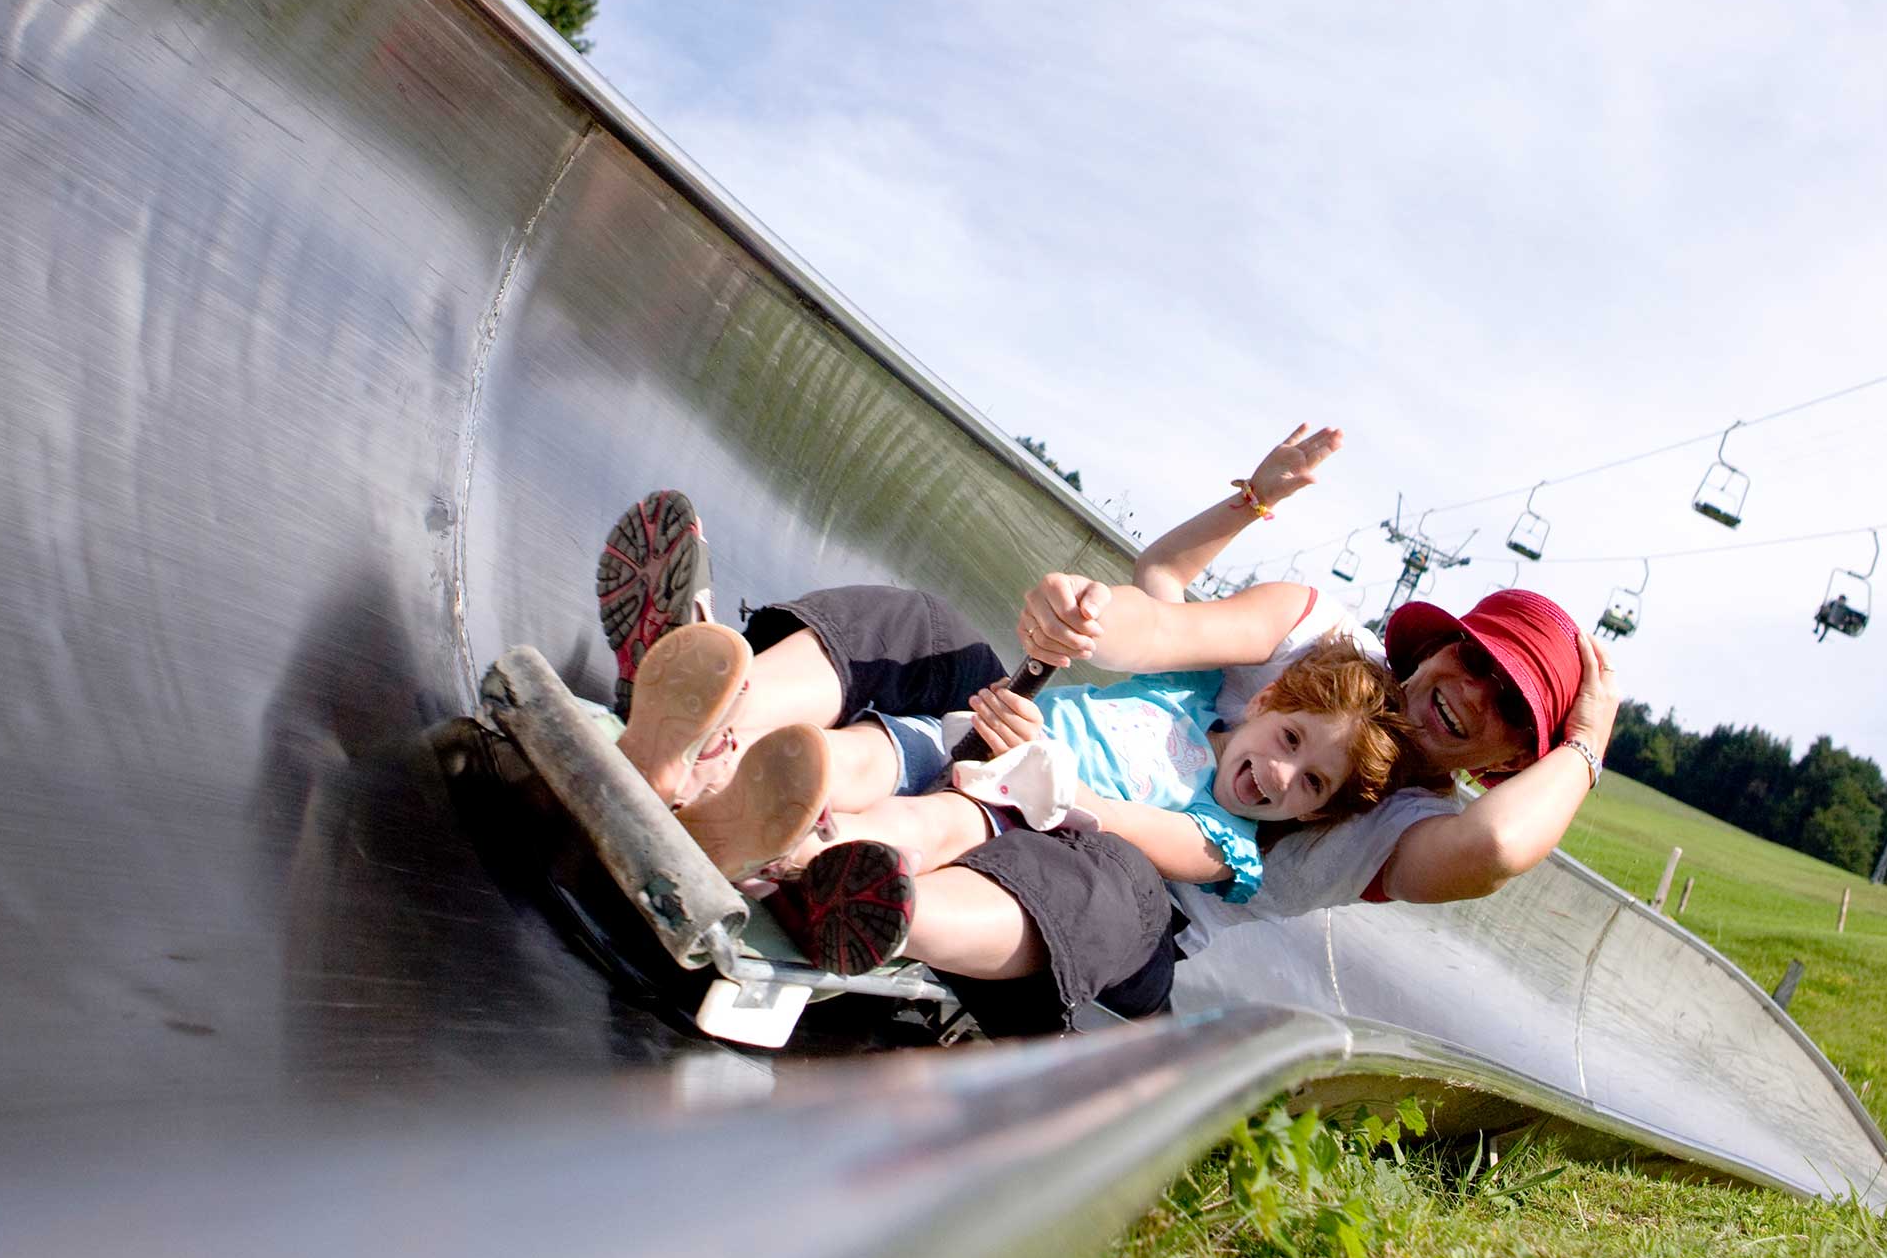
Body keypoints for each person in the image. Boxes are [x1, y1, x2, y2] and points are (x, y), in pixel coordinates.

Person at [594, 425, 1622, 1036]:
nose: (1471, 692)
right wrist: (1080, 615)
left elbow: (1493, 847)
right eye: (1474, 660)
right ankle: (704, 735)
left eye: (1509, 706)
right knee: (919, 632)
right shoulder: (1311, 643)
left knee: (1088, 879)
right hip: (1017, 751)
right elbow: (1160, 617)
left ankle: (867, 902)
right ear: (1435, 646)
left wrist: (1585, 743)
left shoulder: (1402, 824)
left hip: (1111, 885)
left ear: (1506, 759)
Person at [755, 626, 1414, 974]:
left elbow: (1126, 822)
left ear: (1313, 814)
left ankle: (814, 858)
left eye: (1311, 784)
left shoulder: (1228, 847)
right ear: (1264, 702)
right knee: (875, 752)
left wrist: (1053, 777)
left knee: (930, 819)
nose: (1279, 774)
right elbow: (1163, 581)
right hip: (974, 740)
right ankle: (740, 772)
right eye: (1290, 738)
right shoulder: (1188, 693)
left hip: (1009, 807)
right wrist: (1252, 502)